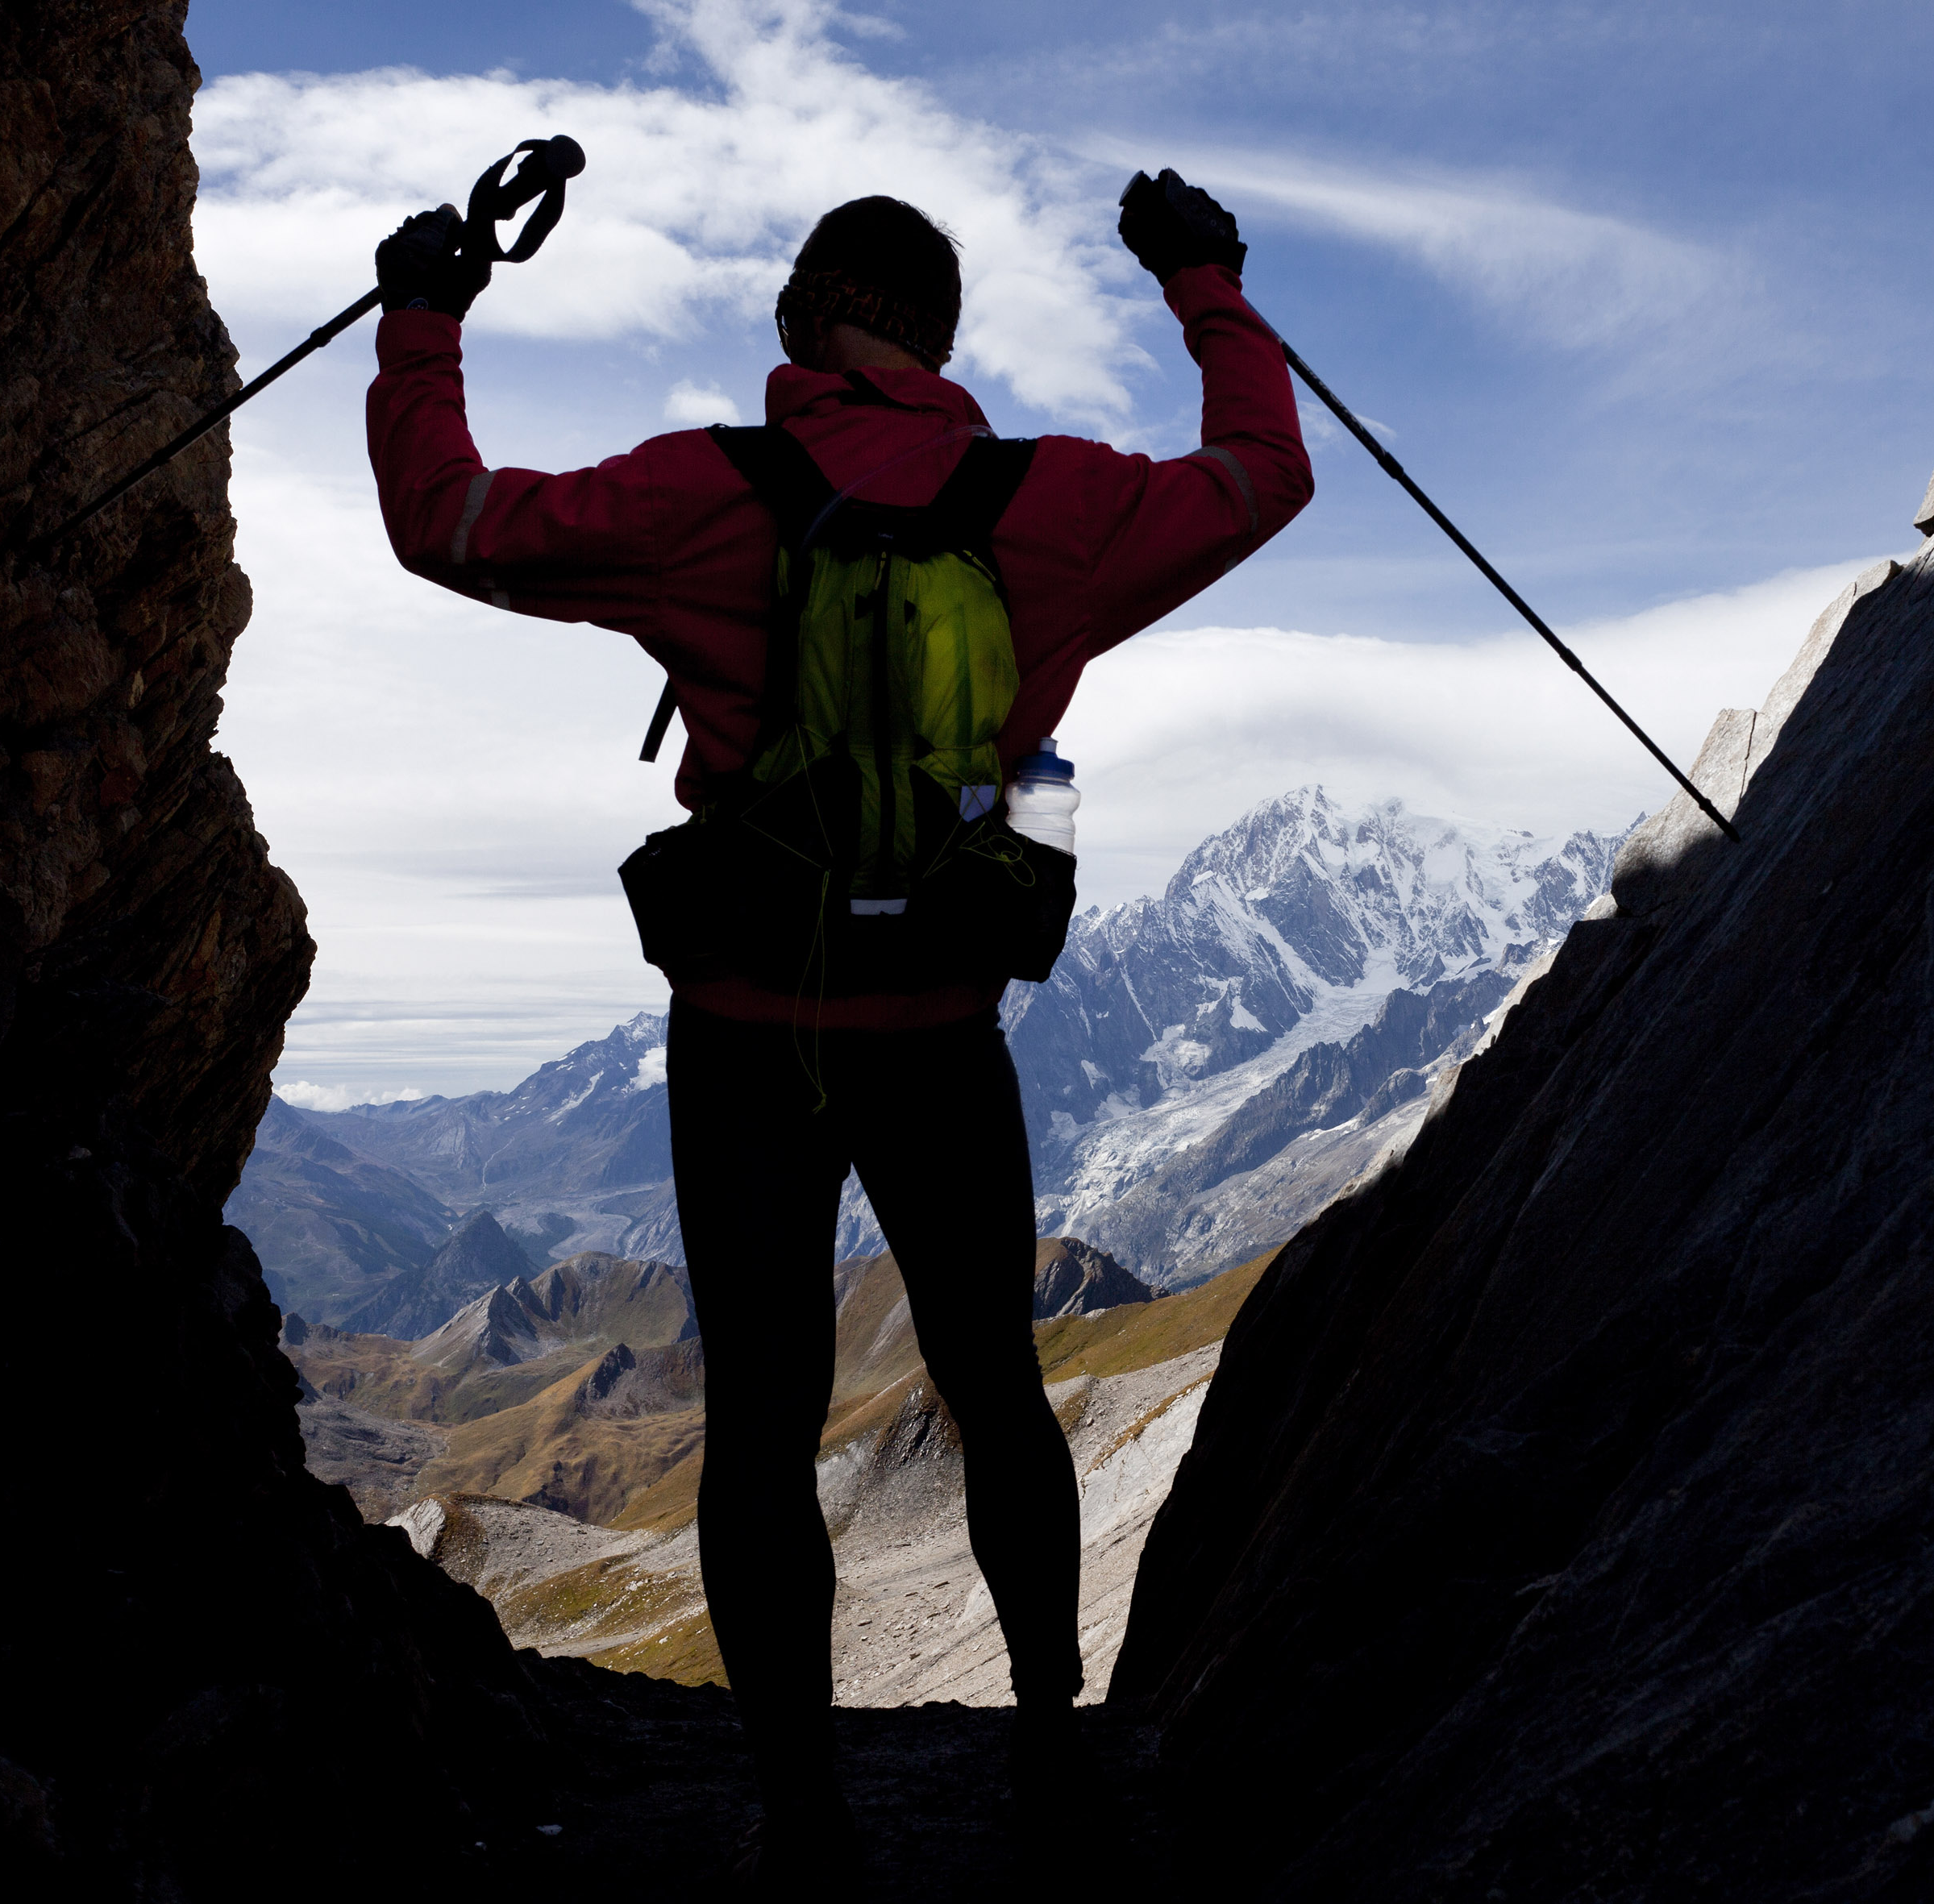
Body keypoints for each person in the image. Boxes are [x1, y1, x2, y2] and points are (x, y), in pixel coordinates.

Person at [362, 173, 1310, 1877]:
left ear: (806, 318)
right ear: (941, 337)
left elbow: (449, 519)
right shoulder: (1059, 504)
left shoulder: (697, 488)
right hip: (942, 1022)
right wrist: (1202, 280)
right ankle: (1048, 1750)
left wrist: (424, 316)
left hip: (748, 1027)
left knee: (761, 1422)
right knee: (999, 1392)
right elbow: (1262, 473)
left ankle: (801, 1811)